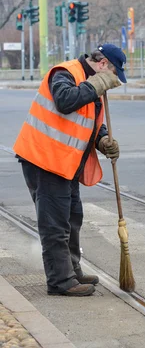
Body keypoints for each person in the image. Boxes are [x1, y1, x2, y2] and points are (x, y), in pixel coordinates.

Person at [13, 44, 127, 296]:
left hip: (64, 163)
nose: (113, 80)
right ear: (102, 63)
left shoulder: (89, 81)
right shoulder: (65, 72)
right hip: (44, 160)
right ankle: (60, 281)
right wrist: (98, 84)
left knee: (73, 217)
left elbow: (85, 121)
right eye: (113, 73)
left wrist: (102, 140)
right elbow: (65, 101)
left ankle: (72, 270)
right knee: (55, 224)